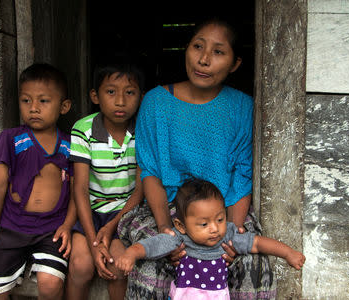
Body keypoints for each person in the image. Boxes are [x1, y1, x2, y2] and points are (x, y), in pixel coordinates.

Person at [118, 18, 277, 299]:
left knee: (253, 264)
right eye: (198, 47)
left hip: (222, 211)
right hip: (165, 207)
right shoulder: (155, 102)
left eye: (218, 52)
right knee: (152, 266)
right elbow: (150, 171)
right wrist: (166, 228)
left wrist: (232, 231)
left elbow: (242, 175)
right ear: (186, 49)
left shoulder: (241, 107)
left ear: (235, 63)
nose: (204, 59)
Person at [117, 178, 305, 299]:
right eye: (204, 224)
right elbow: (150, 246)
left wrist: (288, 253)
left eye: (220, 219)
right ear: (181, 225)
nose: (215, 228)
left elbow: (257, 243)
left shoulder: (227, 237)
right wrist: (131, 254)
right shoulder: (179, 239)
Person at [0, 63, 76, 300]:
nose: (33, 108)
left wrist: (67, 225)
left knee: (51, 284)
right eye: (26, 101)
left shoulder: (70, 145)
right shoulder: (10, 138)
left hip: (51, 230)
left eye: (43, 101)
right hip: (12, 228)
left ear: (64, 106)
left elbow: (77, 191)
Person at [66, 58, 145, 300]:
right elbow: (79, 188)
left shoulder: (143, 130)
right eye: (111, 92)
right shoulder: (83, 129)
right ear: (95, 96)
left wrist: (111, 228)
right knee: (81, 267)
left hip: (126, 216)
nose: (120, 101)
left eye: (130, 92)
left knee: (118, 267)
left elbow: (140, 190)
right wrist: (94, 241)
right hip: (91, 213)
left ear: (141, 96)